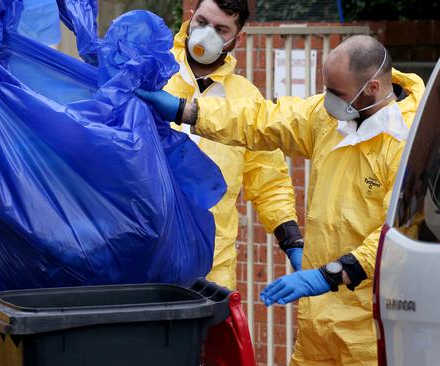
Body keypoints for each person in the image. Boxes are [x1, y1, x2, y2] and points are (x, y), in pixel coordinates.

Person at [137, 35, 425, 365]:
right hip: (318, 324)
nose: (328, 100)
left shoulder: (407, 143)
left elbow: (397, 235)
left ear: (372, 87)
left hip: (369, 328)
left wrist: (328, 275)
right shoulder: (332, 117)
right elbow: (263, 120)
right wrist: (187, 110)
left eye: (337, 93)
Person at [165, 0, 303, 289]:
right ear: (190, 19)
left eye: (220, 29)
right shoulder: (155, 74)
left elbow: (268, 179)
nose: (206, 34)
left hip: (213, 266)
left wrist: (290, 237)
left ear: (237, 39)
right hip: (149, 254)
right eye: (202, 22)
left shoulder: (245, 99)